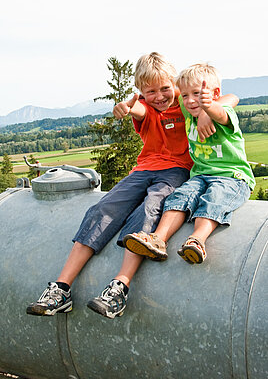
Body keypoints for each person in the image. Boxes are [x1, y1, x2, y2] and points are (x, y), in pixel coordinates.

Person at [26, 54, 237, 319]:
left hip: (175, 172)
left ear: (174, 85)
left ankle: (120, 286)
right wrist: (125, 107)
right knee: (101, 210)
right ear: (141, 93)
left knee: (148, 210)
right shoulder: (146, 108)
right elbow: (137, 108)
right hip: (142, 170)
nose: (159, 96)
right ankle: (61, 287)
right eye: (151, 91)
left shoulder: (186, 107)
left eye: (165, 89)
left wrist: (209, 111)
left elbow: (232, 99)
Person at [124, 63, 255, 267]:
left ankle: (198, 240)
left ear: (215, 94)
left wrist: (208, 108)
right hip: (200, 175)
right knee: (179, 197)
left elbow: (227, 104)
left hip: (231, 177)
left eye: (197, 94)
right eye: (185, 96)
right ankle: (158, 239)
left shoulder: (223, 114)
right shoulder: (187, 111)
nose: (191, 101)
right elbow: (163, 96)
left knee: (214, 200)